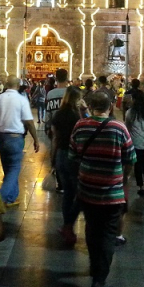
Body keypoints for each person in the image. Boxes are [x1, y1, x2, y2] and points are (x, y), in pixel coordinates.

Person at [69, 91, 135, 287]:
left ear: (90, 106)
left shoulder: (81, 126)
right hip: (112, 192)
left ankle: (94, 266)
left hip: (88, 189)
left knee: (91, 229)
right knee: (108, 234)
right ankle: (99, 281)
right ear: (110, 107)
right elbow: (130, 157)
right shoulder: (119, 127)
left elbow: (72, 155)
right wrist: (123, 179)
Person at [0, 76, 39, 209]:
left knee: (7, 168)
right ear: (18, 85)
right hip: (15, 138)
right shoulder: (21, 100)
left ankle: (10, 198)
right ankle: (1, 195)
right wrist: (36, 139)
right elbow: (29, 122)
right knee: (14, 169)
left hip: (1, 138)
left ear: (6, 84)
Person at [51, 86, 83, 246]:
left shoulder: (58, 114)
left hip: (60, 155)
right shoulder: (76, 116)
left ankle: (67, 225)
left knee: (68, 194)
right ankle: (68, 225)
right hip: (72, 156)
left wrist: (52, 158)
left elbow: (55, 139)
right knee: (79, 193)